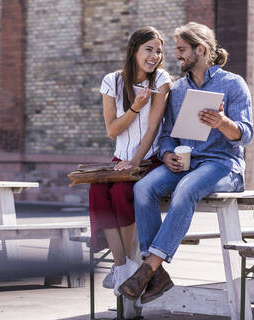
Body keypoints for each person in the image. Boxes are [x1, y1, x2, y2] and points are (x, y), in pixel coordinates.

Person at [118, 22, 254, 304]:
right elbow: (168, 134)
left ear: (200, 49)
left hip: (223, 164)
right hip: (187, 163)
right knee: (144, 188)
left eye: (181, 50)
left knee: (186, 189)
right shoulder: (178, 90)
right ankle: (158, 276)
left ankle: (149, 267)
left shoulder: (232, 84)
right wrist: (167, 153)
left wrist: (223, 123)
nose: (176, 55)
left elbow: (245, 135)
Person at [90, 26, 172, 296]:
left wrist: (136, 162)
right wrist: (135, 106)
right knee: (98, 191)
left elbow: (152, 128)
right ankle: (122, 266)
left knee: (123, 190)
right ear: (134, 50)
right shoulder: (111, 81)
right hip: (120, 158)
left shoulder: (161, 80)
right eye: (149, 49)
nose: (155, 56)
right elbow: (112, 130)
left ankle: (125, 269)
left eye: (158, 51)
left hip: (149, 159)